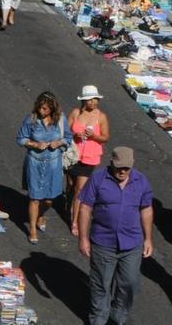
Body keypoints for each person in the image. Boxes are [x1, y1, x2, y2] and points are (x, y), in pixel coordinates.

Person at [78, 146, 153, 325]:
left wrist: (148, 238)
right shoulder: (98, 178)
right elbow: (85, 207)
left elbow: (146, 209)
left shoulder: (141, 181)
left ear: (132, 166)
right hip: (103, 242)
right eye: (119, 167)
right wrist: (83, 238)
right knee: (100, 284)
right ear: (111, 163)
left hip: (132, 243)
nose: (122, 171)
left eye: (126, 168)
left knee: (129, 284)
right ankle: (99, 319)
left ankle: (118, 317)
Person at [16, 91, 71, 244]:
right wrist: (34, 144)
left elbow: (68, 137)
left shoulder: (60, 120)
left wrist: (59, 143)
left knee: (48, 199)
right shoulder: (31, 120)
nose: (42, 111)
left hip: (53, 163)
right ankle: (32, 228)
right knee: (34, 198)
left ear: (52, 109)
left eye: (45, 109)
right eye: (40, 108)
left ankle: (41, 214)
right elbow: (21, 138)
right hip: (35, 162)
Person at [67, 85, 111, 236]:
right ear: (84, 100)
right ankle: (70, 206)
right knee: (71, 185)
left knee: (80, 189)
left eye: (94, 99)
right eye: (89, 100)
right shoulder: (75, 113)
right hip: (73, 155)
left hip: (89, 157)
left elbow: (105, 137)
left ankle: (75, 221)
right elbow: (65, 132)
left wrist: (93, 137)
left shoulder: (101, 117)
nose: (92, 102)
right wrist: (75, 136)